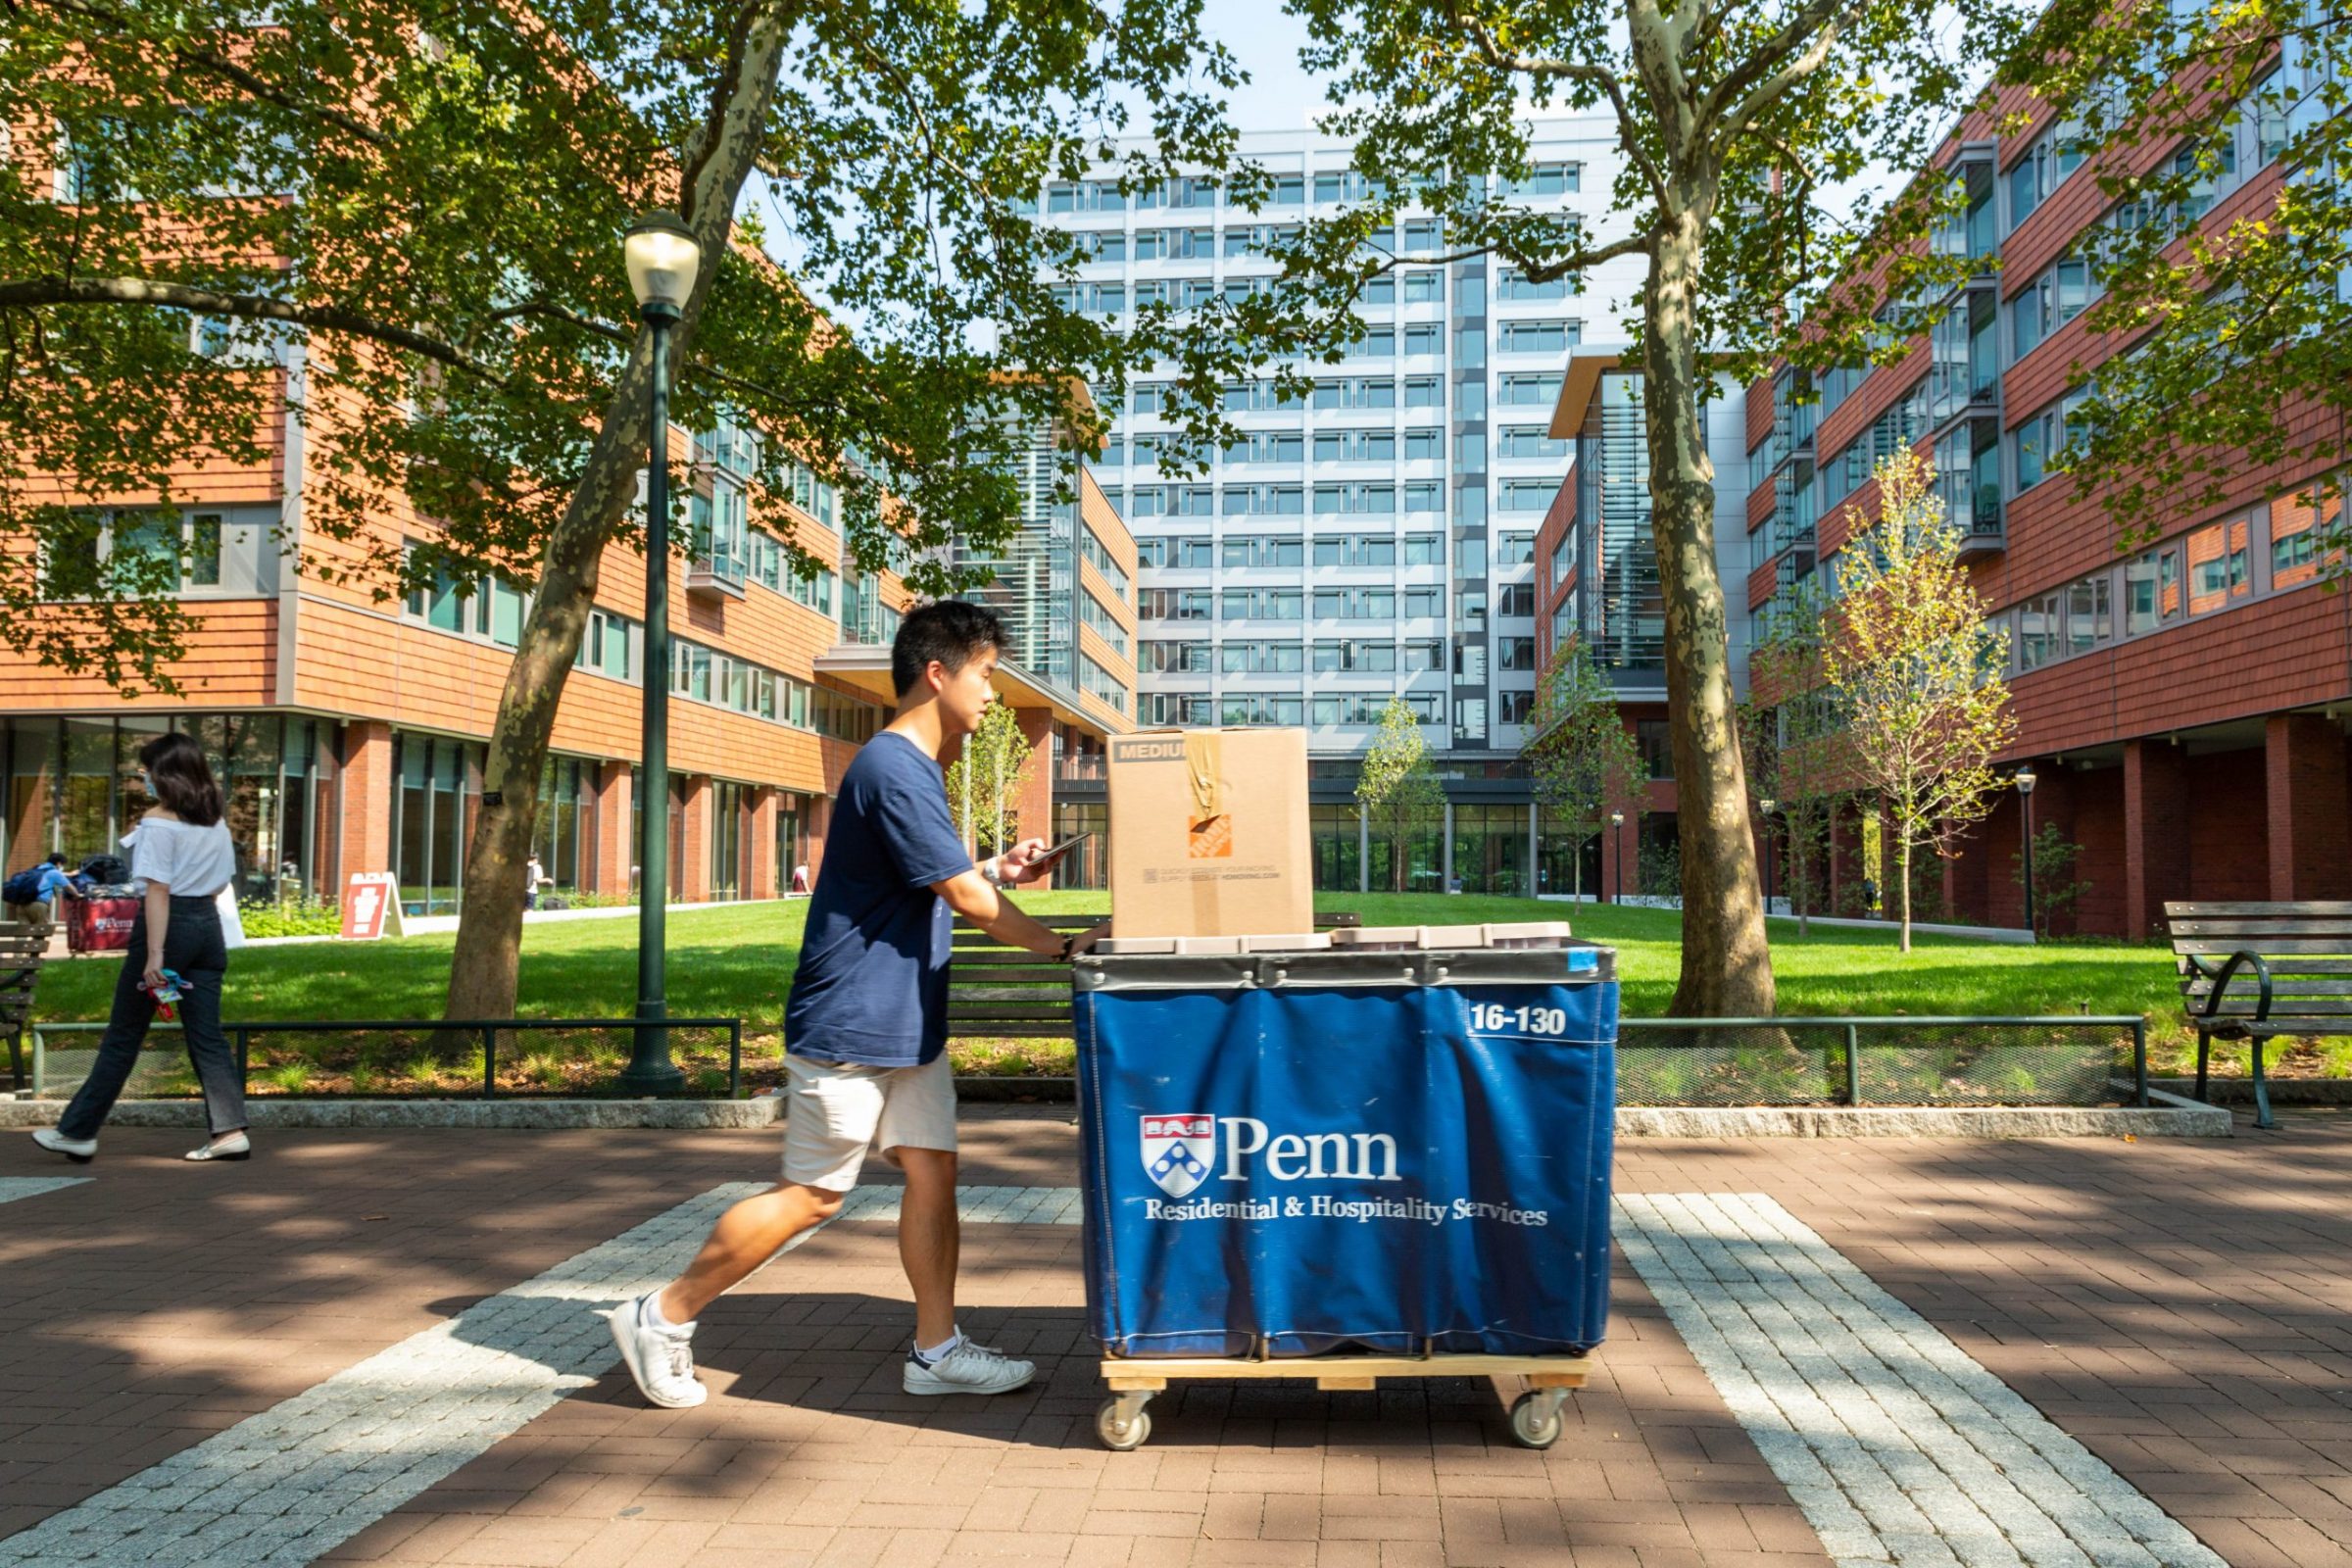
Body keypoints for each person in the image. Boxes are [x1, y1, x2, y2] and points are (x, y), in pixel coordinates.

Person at [606, 601, 1100, 1409]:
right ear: (937, 675)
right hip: (853, 1020)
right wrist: (1059, 945)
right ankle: (661, 1314)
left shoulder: (912, 768)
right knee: (815, 1195)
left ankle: (935, 1350)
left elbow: (935, 880)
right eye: (984, 674)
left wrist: (994, 868)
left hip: (906, 1022)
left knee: (933, 1174)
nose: (992, 693)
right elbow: (963, 901)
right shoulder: (893, 765)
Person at [29, 733, 250, 1165]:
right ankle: (230, 1131)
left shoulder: (157, 823)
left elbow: (158, 891)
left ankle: (77, 1131)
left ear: (164, 774)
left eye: (145, 770)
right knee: (207, 1036)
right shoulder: (215, 821)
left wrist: (155, 956)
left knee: (124, 1035)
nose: (141, 777)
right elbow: (224, 881)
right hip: (208, 927)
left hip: (167, 929)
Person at [5, 852, 84, 931]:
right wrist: (77, 895)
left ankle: (19, 943)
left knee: (22, 933)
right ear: (59, 863)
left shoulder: (36, 869)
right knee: (40, 932)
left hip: (21, 905)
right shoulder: (55, 873)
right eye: (62, 864)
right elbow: (69, 887)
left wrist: (69, 874)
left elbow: (53, 874)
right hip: (38, 905)